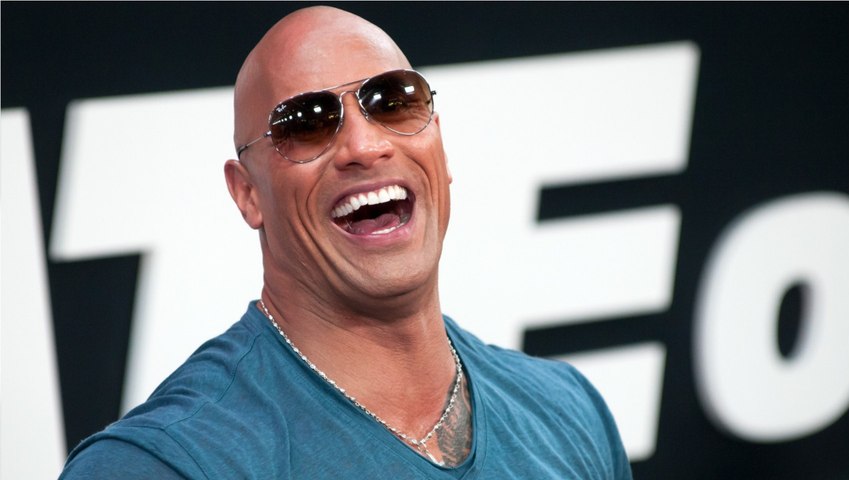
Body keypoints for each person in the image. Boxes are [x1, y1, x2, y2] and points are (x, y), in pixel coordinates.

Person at [60, 6, 632, 478]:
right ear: (247, 193)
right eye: (305, 123)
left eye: (394, 101)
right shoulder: (160, 464)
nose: (365, 146)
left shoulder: (567, 408)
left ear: (440, 145)